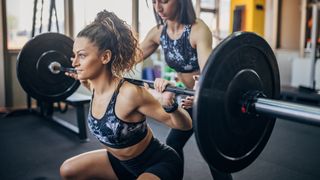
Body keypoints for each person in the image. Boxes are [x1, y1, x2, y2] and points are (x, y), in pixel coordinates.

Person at [59, 10, 192, 180]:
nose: (74, 62)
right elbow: (83, 79)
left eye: (82, 56)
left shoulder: (129, 94)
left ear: (105, 57)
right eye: (74, 55)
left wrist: (170, 105)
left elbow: (185, 125)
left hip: (157, 164)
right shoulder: (93, 87)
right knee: (68, 170)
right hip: (120, 163)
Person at [139, 0, 233, 179]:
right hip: (191, 97)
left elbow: (207, 73)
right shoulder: (159, 32)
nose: (158, 7)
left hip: (208, 98)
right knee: (173, 142)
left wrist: (199, 92)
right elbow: (130, 58)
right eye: (154, 1)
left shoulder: (198, 30)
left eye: (164, 1)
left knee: (212, 154)